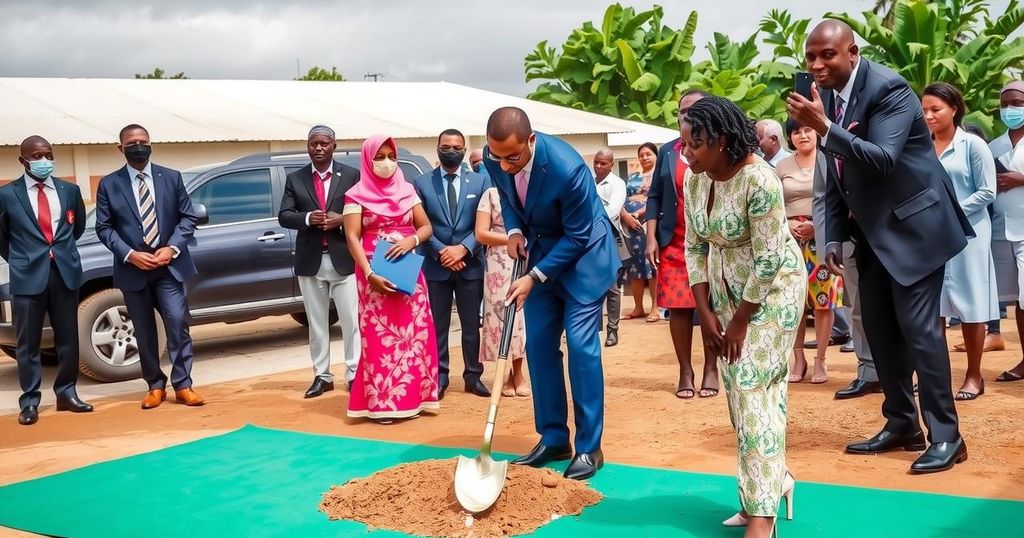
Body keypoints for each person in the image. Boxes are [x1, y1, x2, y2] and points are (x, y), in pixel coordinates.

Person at [787, 20, 971, 473]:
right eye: (810, 57)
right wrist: (830, 236)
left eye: (826, 55)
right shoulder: (825, 98)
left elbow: (883, 159)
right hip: (870, 235)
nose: (816, 65)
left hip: (915, 230)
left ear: (852, 52)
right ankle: (902, 424)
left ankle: (948, 436)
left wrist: (824, 128)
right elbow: (832, 176)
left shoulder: (890, 88)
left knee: (921, 334)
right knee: (882, 334)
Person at [682, 96, 803, 538]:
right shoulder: (695, 182)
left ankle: (762, 518)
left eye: (695, 144)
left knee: (751, 386)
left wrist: (739, 321)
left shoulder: (760, 180)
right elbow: (695, 246)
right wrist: (704, 308)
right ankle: (771, 484)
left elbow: (770, 258)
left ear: (723, 140)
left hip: (772, 292)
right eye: (684, 144)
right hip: (723, 290)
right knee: (740, 396)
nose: (687, 153)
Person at [484, 107, 619, 480]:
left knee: (580, 346)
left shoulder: (567, 167)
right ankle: (554, 437)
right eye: (498, 157)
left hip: (584, 262)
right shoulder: (495, 156)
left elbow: (578, 236)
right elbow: (509, 200)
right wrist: (512, 232)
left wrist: (534, 276)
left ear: (531, 140)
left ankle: (589, 448)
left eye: (513, 157)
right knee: (539, 345)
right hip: (540, 255)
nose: (505, 165)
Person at [95, 124, 204, 410]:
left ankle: (184, 385)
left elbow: (187, 218)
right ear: (121, 148)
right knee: (143, 332)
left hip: (169, 267)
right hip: (134, 270)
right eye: (132, 142)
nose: (138, 146)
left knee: (178, 323)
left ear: (151, 144)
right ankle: (155, 385)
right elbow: (104, 228)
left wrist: (172, 247)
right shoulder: (109, 184)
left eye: (143, 141)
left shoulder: (171, 177)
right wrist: (130, 254)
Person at [343, 135, 439, 423]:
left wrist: (412, 240)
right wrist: (369, 274)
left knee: (415, 336)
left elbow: (426, 227)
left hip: (409, 273)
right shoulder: (355, 194)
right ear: (367, 159)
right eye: (379, 156)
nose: (386, 162)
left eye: (391, 156)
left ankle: (417, 398)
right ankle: (383, 403)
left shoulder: (408, 190)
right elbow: (352, 236)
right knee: (380, 338)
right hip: (374, 273)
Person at [0, 136, 92, 425]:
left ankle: (67, 393)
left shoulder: (69, 190)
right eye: (37, 156)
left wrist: (59, 254)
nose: (44, 161)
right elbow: (2, 237)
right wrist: (24, 258)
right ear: (23, 160)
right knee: (28, 342)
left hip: (64, 273)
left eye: (48, 155)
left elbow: (76, 228)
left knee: (68, 338)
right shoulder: (6, 195)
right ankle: (29, 401)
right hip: (27, 276)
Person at [922, 82, 998, 401]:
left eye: (935, 109)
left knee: (971, 303)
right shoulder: (921, 146)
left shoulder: (973, 145)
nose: (928, 116)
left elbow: (987, 191)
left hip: (969, 235)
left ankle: (974, 375)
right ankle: (937, 379)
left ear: (954, 109)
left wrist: (951, 211)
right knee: (934, 306)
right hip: (932, 236)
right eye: (924, 110)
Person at [645, 90, 720, 399]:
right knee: (678, 307)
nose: (686, 115)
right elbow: (654, 196)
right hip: (674, 242)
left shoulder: (718, 146)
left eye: (693, 110)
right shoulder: (668, 151)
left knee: (709, 306)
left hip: (712, 240)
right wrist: (651, 237)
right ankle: (685, 371)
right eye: (681, 111)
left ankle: (711, 370)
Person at [278, 125, 361, 398]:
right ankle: (322, 376)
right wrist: (306, 218)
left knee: (350, 321)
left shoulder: (350, 175)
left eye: (324, 143)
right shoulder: (296, 178)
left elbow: (360, 210)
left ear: (334, 146)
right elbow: (284, 216)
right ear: (307, 146)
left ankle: (354, 374)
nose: (319, 148)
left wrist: (342, 219)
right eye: (314, 143)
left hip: (343, 258)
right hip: (311, 260)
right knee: (317, 323)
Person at [412, 129, 490, 399]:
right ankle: (440, 376)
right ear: (437, 148)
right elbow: (419, 224)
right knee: (438, 325)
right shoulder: (421, 183)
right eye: (446, 146)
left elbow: (485, 224)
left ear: (465, 149)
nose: (451, 151)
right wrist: (442, 252)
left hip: (470, 265)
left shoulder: (480, 183)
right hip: (436, 265)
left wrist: (463, 250)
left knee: (471, 325)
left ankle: (473, 375)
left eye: (457, 147)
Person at [776, 118, 844, 385]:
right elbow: (772, 203)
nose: (802, 135)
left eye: (807, 130)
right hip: (789, 239)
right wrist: (789, 223)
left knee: (823, 301)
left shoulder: (830, 159)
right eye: (796, 131)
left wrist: (818, 227)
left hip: (823, 237)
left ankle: (820, 360)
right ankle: (798, 359)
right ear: (789, 137)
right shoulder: (781, 166)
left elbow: (839, 200)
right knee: (793, 301)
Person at [475, 184, 529, 397]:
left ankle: (518, 373)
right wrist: (512, 240)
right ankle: (503, 373)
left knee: (520, 317)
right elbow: (480, 233)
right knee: (501, 317)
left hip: (527, 257)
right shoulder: (490, 193)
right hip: (498, 261)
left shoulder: (528, 190)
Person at [990, 80, 1024, 383]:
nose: (1011, 110)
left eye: (1018, 103)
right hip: (1002, 231)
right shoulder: (993, 146)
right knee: (1017, 300)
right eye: (1005, 104)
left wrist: (1021, 180)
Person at [593, 148, 628, 347]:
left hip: (609, 239)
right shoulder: (588, 181)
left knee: (612, 287)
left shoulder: (617, 184)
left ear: (611, 165)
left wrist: (587, 215)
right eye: (596, 162)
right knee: (588, 284)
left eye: (603, 163)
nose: (598, 166)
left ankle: (612, 330)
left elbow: (612, 211)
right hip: (587, 240)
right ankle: (592, 328)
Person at [621, 142, 659, 322]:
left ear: (655, 155)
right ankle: (638, 307)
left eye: (648, 154)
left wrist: (637, 214)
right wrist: (626, 217)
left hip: (647, 224)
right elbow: (624, 197)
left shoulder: (658, 176)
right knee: (634, 266)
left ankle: (655, 307)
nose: (644, 157)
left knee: (651, 265)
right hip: (630, 226)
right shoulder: (633, 176)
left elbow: (654, 199)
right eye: (641, 155)